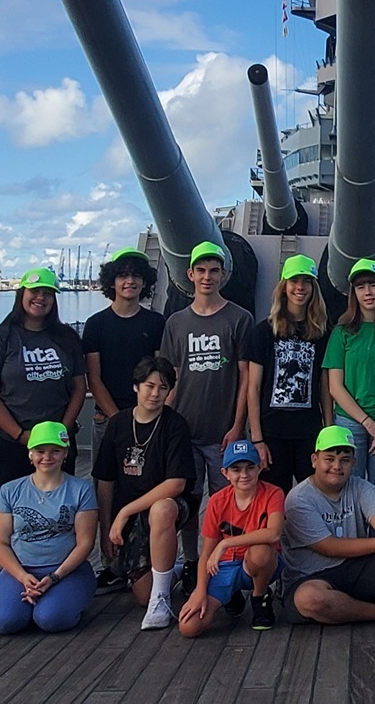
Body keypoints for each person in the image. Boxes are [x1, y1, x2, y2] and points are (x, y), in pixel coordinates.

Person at [281, 426, 375, 643]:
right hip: (310, 575)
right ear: (314, 460)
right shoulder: (298, 499)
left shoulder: (362, 487)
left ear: (354, 463)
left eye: (345, 459)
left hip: (355, 566)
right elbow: (329, 547)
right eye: (329, 459)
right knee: (311, 600)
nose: (337, 466)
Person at [159, 241, 254, 580]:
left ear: (224, 275)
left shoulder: (240, 319)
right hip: (185, 429)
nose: (207, 277)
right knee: (187, 500)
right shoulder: (176, 323)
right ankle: (191, 561)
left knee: (226, 501)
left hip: (222, 433)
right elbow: (172, 375)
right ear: (190, 275)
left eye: (214, 270)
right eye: (201, 270)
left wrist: (237, 425)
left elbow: (245, 377)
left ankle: (225, 562)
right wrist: (164, 426)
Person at [81, 246, 165, 595]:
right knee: (107, 489)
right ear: (111, 282)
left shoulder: (155, 324)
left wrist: (143, 416)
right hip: (109, 419)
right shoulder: (97, 325)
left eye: (136, 276)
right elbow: (94, 377)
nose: (129, 281)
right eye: (122, 275)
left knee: (149, 490)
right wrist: (119, 419)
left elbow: (161, 372)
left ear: (145, 283)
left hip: (148, 421)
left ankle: (146, 558)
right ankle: (110, 562)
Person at [91, 355, 196, 630]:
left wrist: (126, 511)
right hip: (130, 515)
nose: (155, 393)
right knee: (140, 594)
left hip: (169, 507)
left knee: (161, 508)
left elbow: (176, 484)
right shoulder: (117, 424)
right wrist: (105, 530)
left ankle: (161, 600)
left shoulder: (175, 425)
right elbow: (105, 480)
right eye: (149, 385)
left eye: (163, 388)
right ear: (136, 386)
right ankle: (167, 572)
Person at [0, 266, 86, 486]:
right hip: (9, 443)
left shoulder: (67, 338)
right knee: (14, 508)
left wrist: (61, 432)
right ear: (22, 295)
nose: (41, 297)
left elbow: (79, 388)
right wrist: (20, 435)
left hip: (58, 442)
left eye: (47, 293)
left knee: (61, 504)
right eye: (34, 291)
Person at [0, 421, 98, 634]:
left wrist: (55, 577)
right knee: (4, 622)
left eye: (55, 451)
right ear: (30, 454)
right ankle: (31, 601)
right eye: (40, 450)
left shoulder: (81, 489)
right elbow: (0, 542)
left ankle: (60, 599)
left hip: (66, 571)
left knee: (52, 620)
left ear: (65, 454)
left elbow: (85, 543)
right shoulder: (10, 490)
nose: (47, 457)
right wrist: (22, 577)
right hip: (21, 570)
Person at [323, 258, 375, 515]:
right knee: (347, 491)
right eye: (361, 287)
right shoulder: (342, 333)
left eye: (373, 285)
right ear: (354, 293)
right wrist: (368, 424)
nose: (368, 292)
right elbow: (335, 387)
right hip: (351, 423)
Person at [178, 440, 286, 636]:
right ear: (225, 473)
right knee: (189, 627)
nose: (244, 475)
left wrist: (226, 542)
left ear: (260, 468)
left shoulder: (273, 493)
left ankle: (259, 597)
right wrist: (199, 591)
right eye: (236, 469)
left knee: (261, 551)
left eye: (250, 467)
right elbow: (206, 553)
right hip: (224, 566)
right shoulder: (217, 501)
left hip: (256, 562)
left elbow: (274, 533)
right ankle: (231, 594)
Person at [243, 254, 331, 493]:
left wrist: (329, 431)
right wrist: (257, 439)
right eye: (294, 281)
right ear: (284, 287)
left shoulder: (322, 333)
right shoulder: (263, 332)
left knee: (313, 498)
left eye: (306, 281)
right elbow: (254, 388)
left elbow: (324, 386)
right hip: (273, 432)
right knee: (274, 499)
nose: (300, 287)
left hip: (309, 432)